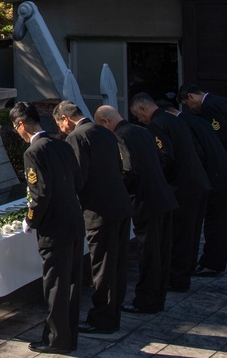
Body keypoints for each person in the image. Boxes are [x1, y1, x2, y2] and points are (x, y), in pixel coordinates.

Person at [11, 102, 84, 355]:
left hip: (54, 227)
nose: (17, 134)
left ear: (21, 124)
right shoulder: (62, 144)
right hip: (74, 222)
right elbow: (78, 181)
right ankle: (69, 335)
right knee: (72, 285)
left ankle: (55, 339)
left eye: (15, 128)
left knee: (55, 285)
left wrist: (31, 221)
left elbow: (39, 194)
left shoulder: (33, 152)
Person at [54, 100, 132, 334]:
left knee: (103, 266)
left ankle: (103, 318)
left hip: (99, 210)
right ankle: (113, 311)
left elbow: (78, 176)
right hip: (120, 205)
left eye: (60, 124)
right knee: (117, 264)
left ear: (65, 119)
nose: (61, 129)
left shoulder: (77, 137)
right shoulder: (106, 133)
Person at [94, 105, 177, 314]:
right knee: (161, 252)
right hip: (163, 197)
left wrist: (116, 189)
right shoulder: (142, 131)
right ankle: (157, 298)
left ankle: (146, 300)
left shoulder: (119, 137)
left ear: (106, 122)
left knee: (149, 253)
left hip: (144, 201)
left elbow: (127, 170)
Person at [129, 93, 210, 292]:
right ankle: (184, 273)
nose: (140, 120)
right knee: (190, 234)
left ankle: (177, 277)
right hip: (196, 182)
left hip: (181, 187)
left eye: (139, 116)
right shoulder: (174, 119)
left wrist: (155, 179)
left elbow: (164, 157)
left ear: (142, 109)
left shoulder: (157, 125)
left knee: (180, 235)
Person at [157, 99, 227, 279]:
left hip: (217, 177)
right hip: (223, 173)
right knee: (216, 222)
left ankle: (212, 263)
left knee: (215, 223)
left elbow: (198, 153)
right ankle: (212, 261)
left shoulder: (185, 125)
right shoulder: (195, 120)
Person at [177, 83, 227, 261]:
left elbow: (221, 135)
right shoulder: (222, 101)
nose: (191, 108)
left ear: (191, 97)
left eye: (187, 104)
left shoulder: (210, 107)